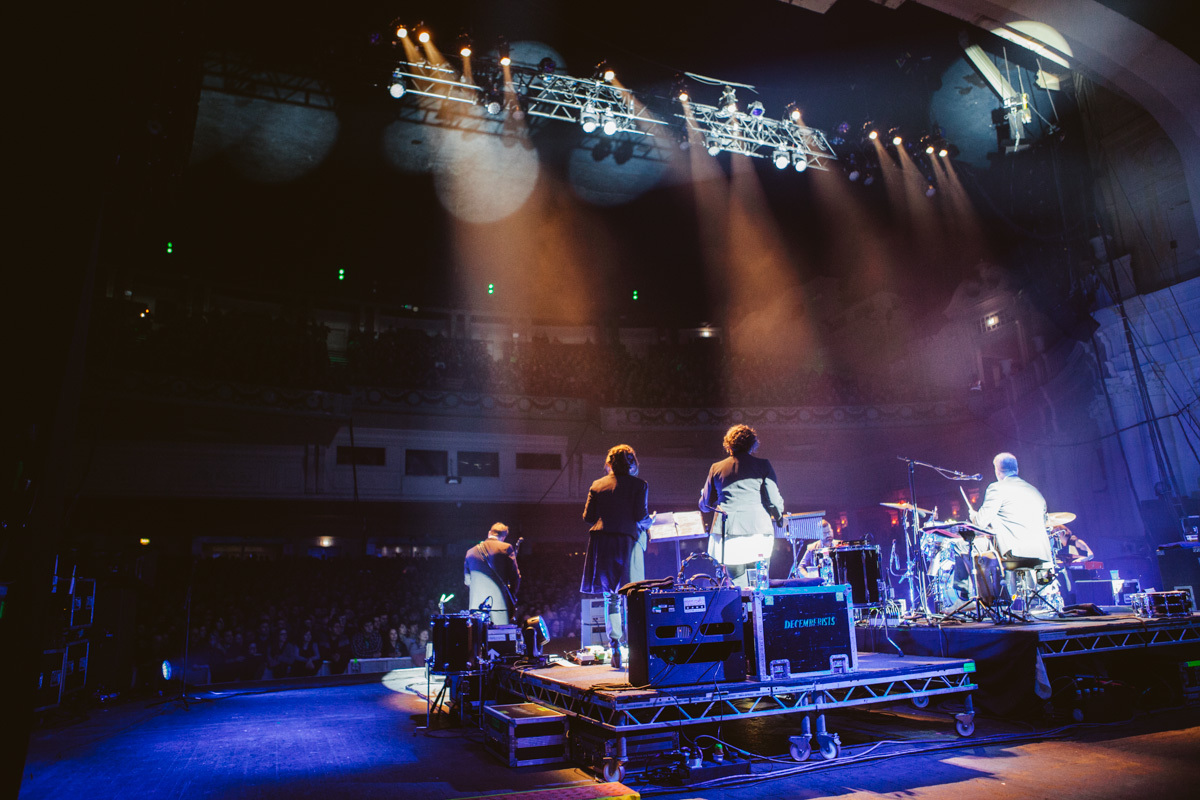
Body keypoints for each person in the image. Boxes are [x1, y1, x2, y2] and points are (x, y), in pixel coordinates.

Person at [581, 444, 652, 670]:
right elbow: (641, 516)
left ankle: (615, 646)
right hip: (628, 542)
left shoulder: (597, 485)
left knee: (610, 597)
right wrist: (649, 523)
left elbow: (588, 517)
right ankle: (638, 648)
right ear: (632, 464)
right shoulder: (639, 485)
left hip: (602, 543)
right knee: (634, 594)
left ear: (609, 463)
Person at [699, 424, 786, 587]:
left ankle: (743, 612)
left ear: (728, 444)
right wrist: (780, 518)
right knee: (759, 583)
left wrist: (704, 499)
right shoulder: (763, 465)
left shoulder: (716, 468)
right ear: (753, 444)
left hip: (730, 533)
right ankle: (758, 612)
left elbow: (705, 504)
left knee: (737, 584)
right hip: (758, 530)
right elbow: (773, 500)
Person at [970, 452, 1058, 610]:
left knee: (974, 548)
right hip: (1042, 553)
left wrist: (974, 516)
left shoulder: (997, 488)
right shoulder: (1035, 491)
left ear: (997, 470)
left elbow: (980, 524)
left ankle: (990, 604)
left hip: (1017, 552)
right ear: (1017, 469)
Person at [464, 523, 521, 624]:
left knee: (478, 637)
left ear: (489, 533)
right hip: (500, 606)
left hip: (476, 607)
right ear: (503, 537)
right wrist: (511, 594)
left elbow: (468, 582)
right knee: (499, 637)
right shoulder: (506, 548)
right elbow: (515, 577)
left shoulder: (470, 552)